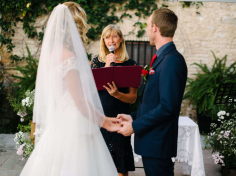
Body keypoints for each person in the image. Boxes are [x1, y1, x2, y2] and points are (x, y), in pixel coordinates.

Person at [20, 3, 121, 176]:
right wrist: (105, 123)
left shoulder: (53, 54)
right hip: (75, 124)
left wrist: (104, 117)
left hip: (60, 121)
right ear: (75, 26)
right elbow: (80, 101)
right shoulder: (69, 56)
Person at [117, 9, 188, 176]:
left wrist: (134, 126)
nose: (147, 30)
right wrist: (132, 117)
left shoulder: (171, 60)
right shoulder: (163, 57)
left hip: (158, 144)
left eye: (148, 26)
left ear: (155, 28)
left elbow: (167, 107)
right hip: (153, 144)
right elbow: (152, 102)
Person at [91, 24, 137, 176]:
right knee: (99, 166)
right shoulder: (96, 63)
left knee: (120, 167)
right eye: (107, 37)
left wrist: (118, 95)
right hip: (102, 118)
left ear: (121, 39)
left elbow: (132, 98)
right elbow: (91, 91)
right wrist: (107, 65)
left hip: (120, 119)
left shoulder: (131, 65)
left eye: (115, 36)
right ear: (103, 41)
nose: (111, 40)